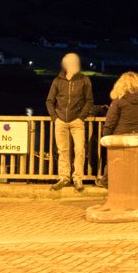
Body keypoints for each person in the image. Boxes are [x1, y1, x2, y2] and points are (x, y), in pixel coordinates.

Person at [46, 53, 94, 191]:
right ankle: (64, 178)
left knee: (79, 150)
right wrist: (55, 118)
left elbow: (89, 100)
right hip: (60, 120)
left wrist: (81, 117)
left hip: (77, 121)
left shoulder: (84, 80)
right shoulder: (57, 81)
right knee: (63, 151)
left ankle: (78, 178)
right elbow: (49, 101)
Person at [97, 72, 138, 187]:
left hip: (120, 135)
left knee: (114, 160)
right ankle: (135, 183)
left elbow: (110, 120)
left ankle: (106, 181)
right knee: (136, 162)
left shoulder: (118, 100)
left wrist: (105, 135)